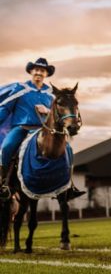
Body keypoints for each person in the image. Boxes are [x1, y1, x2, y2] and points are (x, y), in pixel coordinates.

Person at [0, 58, 68, 199]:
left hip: (43, 130)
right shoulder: (20, 89)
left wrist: (47, 111)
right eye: (36, 69)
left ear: (46, 74)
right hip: (22, 127)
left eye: (42, 70)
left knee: (66, 148)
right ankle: (3, 182)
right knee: (7, 147)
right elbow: (6, 108)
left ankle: (68, 184)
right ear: (31, 71)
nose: (38, 72)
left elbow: (58, 115)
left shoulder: (51, 94)